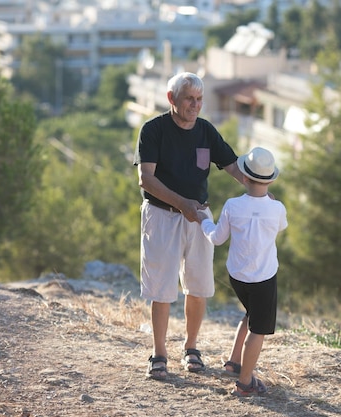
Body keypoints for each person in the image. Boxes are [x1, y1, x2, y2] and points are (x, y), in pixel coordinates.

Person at [133, 72, 244, 381]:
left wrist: (258, 189)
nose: (195, 105)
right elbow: (146, 179)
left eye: (199, 100)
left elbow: (232, 165)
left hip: (198, 216)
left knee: (198, 286)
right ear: (172, 99)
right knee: (162, 287)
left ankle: (191, 348)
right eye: (189, 100)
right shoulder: (153, 130)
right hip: (161, 215)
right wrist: (182, 203)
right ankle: (159, 353)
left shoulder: (206, 131)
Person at [197, 147, 288, 397]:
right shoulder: (277, 208)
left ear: (244, 178)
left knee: (250, 314)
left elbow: (216, 238)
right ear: (270, 179)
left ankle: (234, 361)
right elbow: (281, 226)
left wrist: (202, 219)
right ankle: (245, 382)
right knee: (258, 330)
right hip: (263, 278)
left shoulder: (232, 205)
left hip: (237, 277)